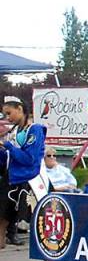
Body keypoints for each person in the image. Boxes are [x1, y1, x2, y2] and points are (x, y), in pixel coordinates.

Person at [1, 96, 46, 250]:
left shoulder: (35, 130)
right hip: (13, 179)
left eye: (9, 113)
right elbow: (8, 158)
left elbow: (29, 158)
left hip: (32, 180)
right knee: (2, 219)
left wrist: (7, 146)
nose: (7, 118)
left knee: (39, 221)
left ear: (20, 109)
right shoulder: (13, 131)